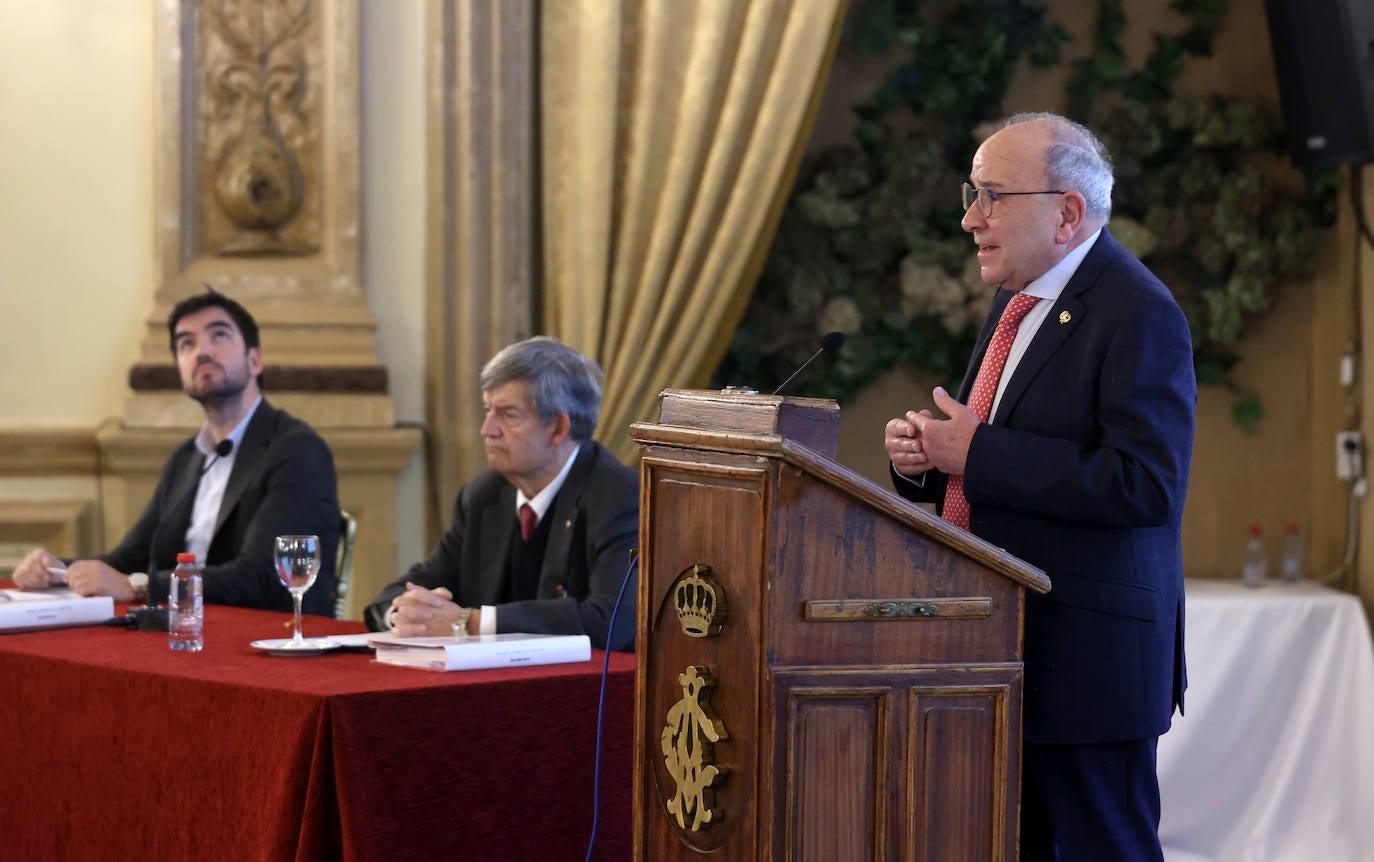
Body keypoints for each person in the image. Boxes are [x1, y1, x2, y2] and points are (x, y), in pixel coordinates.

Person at [883, 113, 1196, 861]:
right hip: (1001, 649)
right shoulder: (1016, 300)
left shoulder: (1139, 310)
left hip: (1087, 664)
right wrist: (925, 459)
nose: (969, 218)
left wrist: (979, 453)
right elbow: (995, 459)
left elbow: (1146, 485)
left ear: (1067, 213)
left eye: (992, 195)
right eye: (972, 193)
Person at [12, 290, 340, 616]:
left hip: (269, 636)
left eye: (219, 336)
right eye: (187, 344)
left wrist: (139, 587)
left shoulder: (297, 449)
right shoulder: (187, 458)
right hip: (188, 629)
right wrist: (56, 572)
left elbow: (262, 577)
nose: (202, 351)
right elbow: (130, 560)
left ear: (254, 360)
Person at [364, 336, 638, 651]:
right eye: (487, 411)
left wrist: (472, 623)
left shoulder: (621, 497)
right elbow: (417, 583)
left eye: (508, 415)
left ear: (558, 428)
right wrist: (405, 612)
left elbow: (612, 621)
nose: (487, 429)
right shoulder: (483, 497)